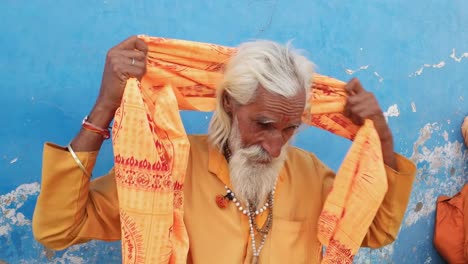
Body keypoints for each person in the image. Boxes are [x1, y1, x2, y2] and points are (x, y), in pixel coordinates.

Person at [33, 36, 416, 263]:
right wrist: (105, 107)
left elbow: (376, 232)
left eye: (289, 129)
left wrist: (381, 138)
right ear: (230, 104)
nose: (274, 145)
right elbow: (58, 230)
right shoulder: (167, 170)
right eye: (263, 124)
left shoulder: (310, 173)